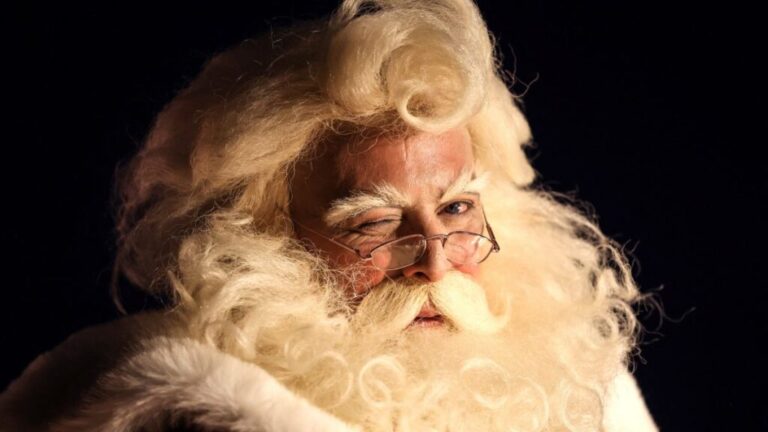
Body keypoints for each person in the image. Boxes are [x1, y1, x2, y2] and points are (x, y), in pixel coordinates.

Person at [1, 0, 658, 430]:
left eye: (457, 207)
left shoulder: (587, 392)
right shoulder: (174, 413)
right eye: (374, 223)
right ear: (268, 243)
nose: (434, 264)